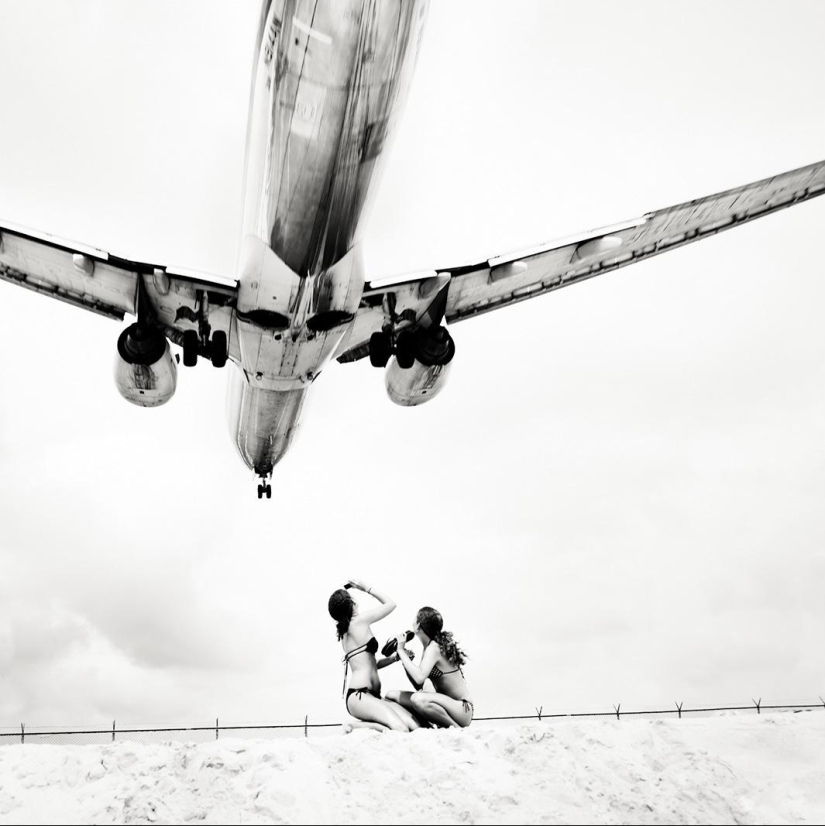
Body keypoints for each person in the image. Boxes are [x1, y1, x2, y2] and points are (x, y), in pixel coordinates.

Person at [327, 579, 421, 733]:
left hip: (370, 696)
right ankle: (354, 726)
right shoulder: (358, 622)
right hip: (359, 695)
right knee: (400, 728)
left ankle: (373, 725)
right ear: (351, 603)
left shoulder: (347, 632)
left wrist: (394, 658)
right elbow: (390, 604)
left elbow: (370, 664)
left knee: (414, 726)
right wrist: (366, 588)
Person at [384, 606, 474, 728]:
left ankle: (455, 729)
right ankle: (427, 727)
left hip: (462, 709)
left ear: (418, 625)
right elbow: (419, 685)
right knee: (391, 696)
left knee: (418, 699)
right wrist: (406, 661)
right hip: (446, 705)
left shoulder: (434, 647)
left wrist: (400, 650)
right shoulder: (428, 647)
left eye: (414, 619)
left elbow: (419, 678)